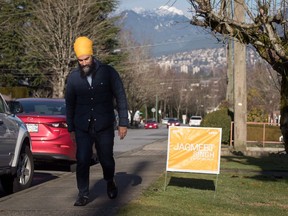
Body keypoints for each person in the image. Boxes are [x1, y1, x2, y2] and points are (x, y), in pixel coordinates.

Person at [65, 36, 129, 206]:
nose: (84, 63)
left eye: (86, 59)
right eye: (80, 60)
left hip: (104, 125)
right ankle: (83, 194)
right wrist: (70, 128)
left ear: (92, 56)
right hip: (82, 127)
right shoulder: (73, 78)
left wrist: (123, 122)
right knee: (83, 159)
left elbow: (121, 97)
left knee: (106, 158)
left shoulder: (108, 72)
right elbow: (69, 104)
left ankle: (110, 180)